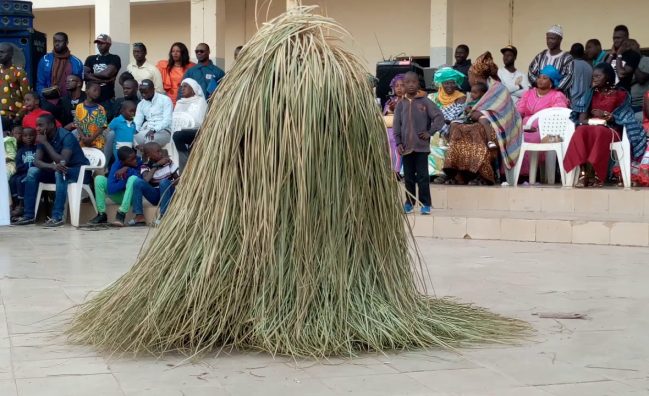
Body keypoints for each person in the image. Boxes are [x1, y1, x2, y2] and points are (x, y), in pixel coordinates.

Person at [444, 52, 522, 185]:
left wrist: (482, 115)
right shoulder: (476, 91)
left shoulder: (499, 89)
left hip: (499, 128)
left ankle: (483, 175)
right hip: (479, 123)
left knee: (477, 131)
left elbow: (504, 113)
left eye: (469, 77)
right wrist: (475, 114)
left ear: (475, 78)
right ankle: (460, 173)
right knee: (457, 128)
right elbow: (471, 111)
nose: (468, 80)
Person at [564, 63, 647, 188]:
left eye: (598, 76)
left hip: (612, 129)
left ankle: (597, 174)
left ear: (608, 77)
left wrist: (608, 116)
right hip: (592, 126)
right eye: (593, 76)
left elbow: (626, 117)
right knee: (581, 130)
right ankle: (584, 174)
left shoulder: (621, 94)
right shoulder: (589, 94)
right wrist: (594, 120)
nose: (594, 79)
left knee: (599, 132)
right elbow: (582, 119)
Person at [12, 114, 90, 226]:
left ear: (52, 125)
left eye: (40, 125)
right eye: (36, 125)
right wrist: (52, 166)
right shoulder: (42, 137)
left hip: (78, 172)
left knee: (60, 172)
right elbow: (37, 162)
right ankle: (28, 215)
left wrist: (45, 143)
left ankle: (57, 217)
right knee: (32, 171)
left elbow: (63, 160)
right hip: (58, 170)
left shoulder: (66, 136)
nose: (37, 128)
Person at [393, 71, 444, 215]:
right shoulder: (400, 104)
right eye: (406, 83)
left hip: (421, 147)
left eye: (413, 82)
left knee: (422, 177)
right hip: (406, 148)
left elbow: (439, 117)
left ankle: (425, 204)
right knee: (408, 177)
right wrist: (398, 143)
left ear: (418, 84)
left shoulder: (425, 101)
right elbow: (397, 125)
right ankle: (409, 202)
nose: (410, 85)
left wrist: (430, 132)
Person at [516, 65, 569, 182]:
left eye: (545, 78)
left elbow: (557, 116)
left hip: (545, 130)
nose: (540, 80)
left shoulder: (557, 96)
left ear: (551, 82)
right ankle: (513, 174)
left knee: (532, 138)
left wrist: (538, 125)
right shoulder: (529, 93)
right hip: (525, 127)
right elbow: (519, 110)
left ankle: (529, 175)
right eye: (539, 77)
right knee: (513, 137)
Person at [89, 146, 142, 226]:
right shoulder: (116, 165)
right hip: (119, 196)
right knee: (99, 179)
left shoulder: (139, 161)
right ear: (122, 162)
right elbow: (111, 189)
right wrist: (124, 181)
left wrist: (127, 169)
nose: (135, 161)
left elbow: (142, 180)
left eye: (135, 157)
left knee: (133, 178)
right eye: (131, 160)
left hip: (132, 197)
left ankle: (121, 213)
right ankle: (101, 214)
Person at [130, 141, 179, 226]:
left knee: (164, 182)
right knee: (137, 182)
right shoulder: (145, 166)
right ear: (149, 155)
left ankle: (163, 216)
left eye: (160, 150)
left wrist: (168, 184)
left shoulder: (168, 162)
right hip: (155, 196)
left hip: (168, 192)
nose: (161, 153)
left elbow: (177, 179)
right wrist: (156, 166)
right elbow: (146, 180)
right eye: (157, 151)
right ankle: (139, 216)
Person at [172, 78, 208, 171]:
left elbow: (199, 122)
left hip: (196, 132)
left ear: (193, 89)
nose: (182, 89)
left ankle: (185, 164)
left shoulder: (200, 102)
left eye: (185, 86)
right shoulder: (180, 103)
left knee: (178, 135)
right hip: (178, 130)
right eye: (181, 87)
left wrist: (182, 127)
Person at [528, 25, 574, 94]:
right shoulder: (540, 56)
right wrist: (540, 86)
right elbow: (531, 72)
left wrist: (553, 92)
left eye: (552, 38)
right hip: (539, 96)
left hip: (558, 98)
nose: (549, 41)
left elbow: (569, 76)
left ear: (560, 39)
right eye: (547, 38)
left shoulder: (567, 58)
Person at [74, 82, 112, 164]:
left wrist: (91, 139)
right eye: (95, 90)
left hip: (97, 140)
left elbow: (102, 127)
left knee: (97, 161)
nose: (97, 92)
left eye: (99, 91)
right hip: (82, 140)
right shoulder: (79, 107)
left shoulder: (100, 108)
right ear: (87, 91)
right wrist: (83, 137)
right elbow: (77, 124)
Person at [84, 34, 121, 107]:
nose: (99, 45)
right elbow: (84, 74)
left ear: (109, 44)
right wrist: (104, 81)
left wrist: (91, 74)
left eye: (102, 43)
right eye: (98, 43)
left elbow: (107, 74)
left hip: (107, 99)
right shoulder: (90, 58)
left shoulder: (114, 58)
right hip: (91, 100)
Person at [134, 79, 173, 148]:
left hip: (164, 131)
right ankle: (139, 159)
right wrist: (133, 131)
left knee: (149, 141)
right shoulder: (141, 104)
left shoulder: (165, 100)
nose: (143, 95)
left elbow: (167, 120)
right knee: (130, 138)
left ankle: (147, 158)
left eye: (146, 92)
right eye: (141, 92)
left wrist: (154, 130)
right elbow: (137, 121)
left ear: (153, 89)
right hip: (147, 130)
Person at [8, 127, 36, 219]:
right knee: (12, 180)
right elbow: (18, 165)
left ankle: (21, 205)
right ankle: (16, 203)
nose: (28, 138)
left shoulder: (37, 149)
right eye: (25, 136)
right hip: (23, 171)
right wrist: (27, 167)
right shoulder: (20, 151)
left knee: (20, 180)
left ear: (35, 136)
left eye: (31, 135)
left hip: (31, 174)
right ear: (22, 137)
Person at [0, 43, 30, 123]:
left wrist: (18, 116)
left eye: (2, 52)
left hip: (12, 117)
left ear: (11, 54)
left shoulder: (19, 72)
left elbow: (27, 99)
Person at [383, 74, 406, 174]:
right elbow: (384, 115)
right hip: (388, 127)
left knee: (394, 138)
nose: (399, 88)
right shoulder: (389, 101)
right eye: (397, 86)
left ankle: (396, 170)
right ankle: (387, 169)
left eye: (402, 85)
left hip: (403, 128)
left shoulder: (409, 101)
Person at [569, 43, 593, 110]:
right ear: (583, 54)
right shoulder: (589, 66)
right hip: (586, 102)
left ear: (570, 53)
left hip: (572, 102)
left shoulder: (569, 65)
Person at [631, 57, 649, 121]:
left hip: (641, 104)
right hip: (627, 104)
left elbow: (641, 78)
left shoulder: (646, 60)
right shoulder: (622, 61)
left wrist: (633, 62)